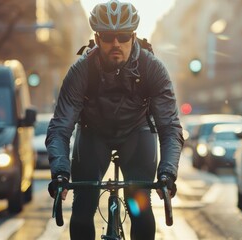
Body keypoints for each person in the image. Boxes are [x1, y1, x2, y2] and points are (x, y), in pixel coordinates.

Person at [45, 1, 184, 239]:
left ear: (134, 36)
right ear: (97, 39)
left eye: (123, 35)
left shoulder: (153, 69)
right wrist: (60, 172)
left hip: (137, 133)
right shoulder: (81, 71)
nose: (116, 43)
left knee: (138, 206)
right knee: (82, 207)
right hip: (93, 133)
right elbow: (60, 127)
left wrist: (167, 173)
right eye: (108, 37)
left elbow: (169, 127)